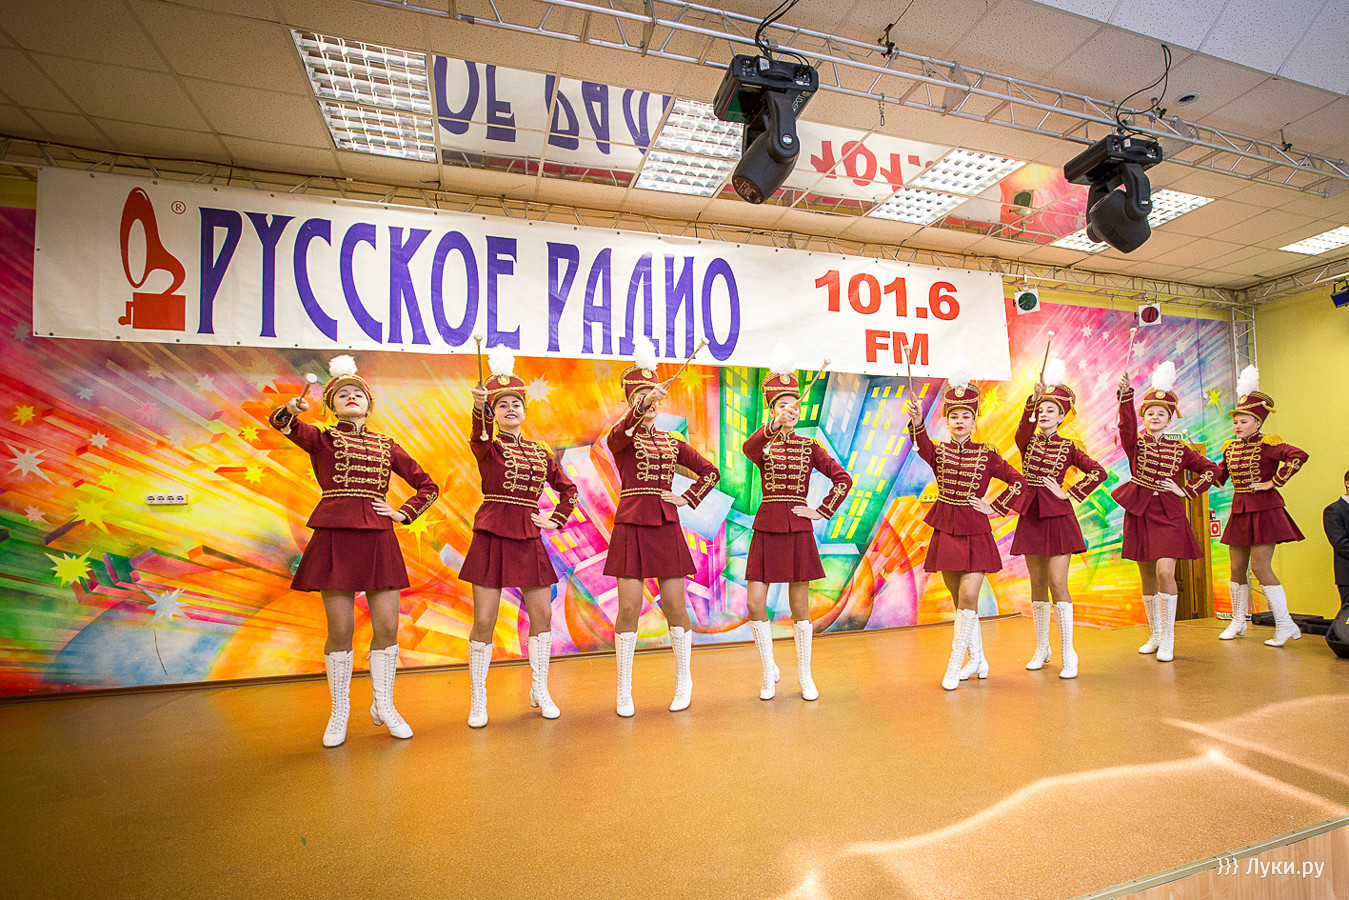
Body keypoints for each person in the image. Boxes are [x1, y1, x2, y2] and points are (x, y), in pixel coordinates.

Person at [268, 355, 438, 748]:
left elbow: (427, 486)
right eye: (342, 393)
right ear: (331, 405)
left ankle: (384, 704)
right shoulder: (322, 438)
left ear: (368, 403)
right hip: (335, 535)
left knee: (387, 628)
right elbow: (283, 424)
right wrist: (290, 409)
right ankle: (339, 711)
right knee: (341, 631)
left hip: (379, 537)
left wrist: (403, 513)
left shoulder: (386, 444)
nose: (350, 397)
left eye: (357, 393)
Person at [460, 348, 578, 728]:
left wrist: (555, 519)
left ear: (525, 411)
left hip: (528, 535)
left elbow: (568, 490)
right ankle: (479, 698)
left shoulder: (539, 452)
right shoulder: (488, 446)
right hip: (492, 532)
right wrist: (478, 408)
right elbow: (478, 433)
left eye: (516, 404)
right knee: (485, 619)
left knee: (542, 614)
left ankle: (540, 688)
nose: (510, 409)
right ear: (493, 412)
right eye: (502, 405)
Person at [604, 339, 720, 716]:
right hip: (631, 525)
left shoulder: (672, 443)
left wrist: (688, 497)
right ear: (630, 402)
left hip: (666, 525)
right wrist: (641, 406)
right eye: (640, 397)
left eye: (653, 396)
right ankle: (624, 689)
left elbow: (710, 472)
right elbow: (619, 434)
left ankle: (684, 680)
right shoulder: (621, 438)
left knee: (675, 606)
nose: (650, 402)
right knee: (629, 608)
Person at [905, 358, 1027, 691]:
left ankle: (954, 663)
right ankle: (978, 659)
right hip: (946, 528)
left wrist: (994, 506)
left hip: (976, 531)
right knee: (959, 600)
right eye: (954, 416)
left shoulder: (987, 454)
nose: (959, 421)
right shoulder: (939, 452)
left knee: (970, 596)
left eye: (965, 416)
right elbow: (922, 445)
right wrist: (917, 422)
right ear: (947, 421)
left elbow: (1018, 481)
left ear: (974, 421)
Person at [742, 345, 853, 701]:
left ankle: (805, 673)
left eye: (794, 405)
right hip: (766, 526)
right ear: (772, 410)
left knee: (800, 607)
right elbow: (748, 449)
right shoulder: (763, 443)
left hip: (797, 528)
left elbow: (843, 479)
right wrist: (773, 427)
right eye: (782, 405)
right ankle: (768, 670)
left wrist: (821, 510)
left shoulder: (809, 446)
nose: (790, 410)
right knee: (755, 603)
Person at [1113, 361, 1218, 663]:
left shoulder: (1181, 449)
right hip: (1140, 512)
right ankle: (1155, 634)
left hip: (1170, 515)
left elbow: (1211, 470)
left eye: (1161, 413)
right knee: (1147, 575)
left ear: (1170, 419)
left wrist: (1186, 490)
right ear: (1144, 417)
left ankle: (1169, 637)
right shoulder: (1135, 444)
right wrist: (1126, 395)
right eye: (1150, 412)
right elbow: (1125, 425)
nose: (1155, 417)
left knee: (1164, 572)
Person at [1010, 359, 1107, 679]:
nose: (1044, 414)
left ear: (1062, 416)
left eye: (1050, 410)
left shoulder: (1069, 447)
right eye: (1041, 410)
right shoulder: (1027, 441)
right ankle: (1042, 648)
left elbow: (1099, 472)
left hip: (1059, 518)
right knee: (1037, 583)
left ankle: (1068, 651)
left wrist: (1070, 493)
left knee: (1057, 582)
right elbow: (1022, 428)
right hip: (1031, 516)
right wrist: (1033, 399)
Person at [1212, 366, 1309, 646]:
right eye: (1235, 422)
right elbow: (1218, 476)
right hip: (1240, 511)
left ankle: (1285, 624)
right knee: (1236, 567)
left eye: (1243, 421)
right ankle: (1238, 621)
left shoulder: (1269, 445)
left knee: (1260, 567)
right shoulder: (1230, 448)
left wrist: (1274, 482)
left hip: (1265, 511)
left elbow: (1299, 455)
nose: (1237, 426)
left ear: (1257, 423)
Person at [1323, 470, 1349, 612]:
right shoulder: (1334, 510)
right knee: (1347, 614)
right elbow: (1340, 543)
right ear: (1347, 483)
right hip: (1347, 572)